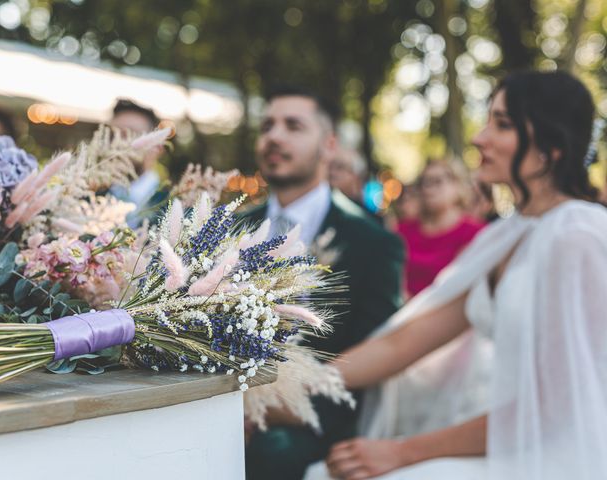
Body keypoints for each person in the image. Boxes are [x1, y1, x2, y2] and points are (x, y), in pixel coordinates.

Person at [303, 70, 607, 480]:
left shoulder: (579, 235)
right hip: (505, 435)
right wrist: (292, 385)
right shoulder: (507, 235)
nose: (479, 138)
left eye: (501, 124)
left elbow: (555, 404)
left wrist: (403, 452)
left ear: (550, 147)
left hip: (553, 452)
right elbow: (403, 343)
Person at [242, 86, 406, 480]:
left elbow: (372, 349)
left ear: (329, 145)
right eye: (267, 126)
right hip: (222, 396)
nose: (274, 136)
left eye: (293, 126)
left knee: (269, 454)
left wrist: (271, 408)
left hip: (316, 413)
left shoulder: (373, 243)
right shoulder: (230, 227)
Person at [397, 160, 485, 297]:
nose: (428, 188)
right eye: (423, 182)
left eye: (437, 181)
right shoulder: (403, 231)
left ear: (457, 184)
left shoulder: (475, 233)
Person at [109, 99, 165, 224]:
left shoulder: (175, 209)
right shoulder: (88, 201)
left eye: (129, 135)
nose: (117, 145)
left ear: (157, 147)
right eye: (112, 135)